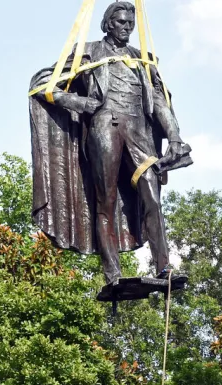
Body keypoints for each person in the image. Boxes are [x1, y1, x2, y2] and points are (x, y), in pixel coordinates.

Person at [28, 1, 192, 285]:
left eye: (130, 23)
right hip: (105, 127)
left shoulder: (142, 59)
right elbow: (43, 85)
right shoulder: (88, 52)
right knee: (106, 201)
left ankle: (164, 268)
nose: (126, 28)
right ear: (107, 24)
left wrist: (174, 136)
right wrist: (80, 102)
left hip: (139, 132)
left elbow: (159, 100)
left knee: (152, 197)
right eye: (121, 22)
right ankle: (113, 275)